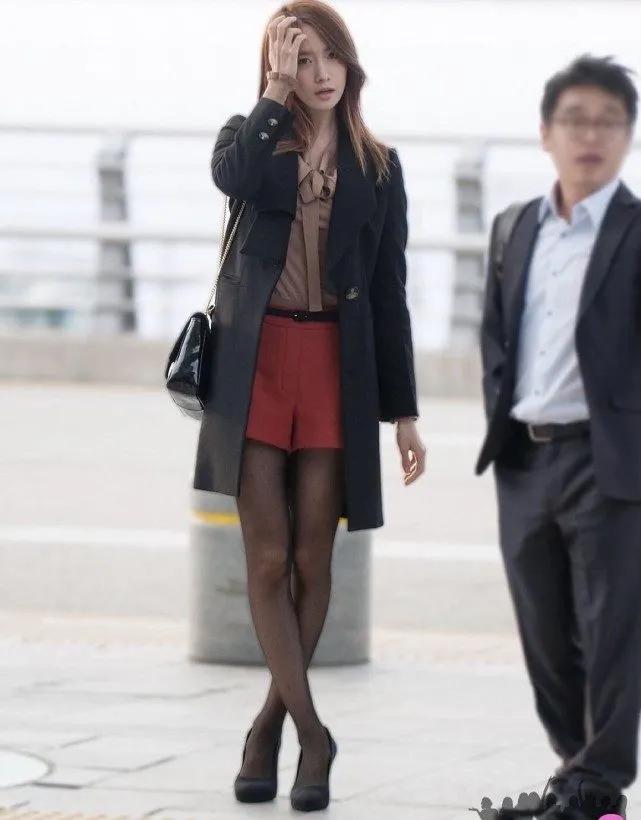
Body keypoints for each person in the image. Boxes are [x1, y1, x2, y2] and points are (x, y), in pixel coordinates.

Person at [192, 0, 426, 812]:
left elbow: (389, 294)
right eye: (301, 59)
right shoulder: (250, 138)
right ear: (277, 69)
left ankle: (268, 726)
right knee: (264, 561)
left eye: (329, 56)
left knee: (311, 560)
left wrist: (403, 412)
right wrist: (272, 94)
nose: (319, 73)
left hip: (334, 368)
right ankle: (313, 735)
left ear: (349, 63)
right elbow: (231, 180)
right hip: (254, 366)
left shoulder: (379, 166)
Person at [476, 55, 640, 820]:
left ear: (627, 136)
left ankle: (594, 785)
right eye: (575, 119)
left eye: (609, 121)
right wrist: (501, 417)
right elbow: (495, 338)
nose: (590, 135)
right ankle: (580, 781)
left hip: (608, 462)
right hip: (521, 457)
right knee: (543, 635)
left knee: (610, 634)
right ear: (545, 133)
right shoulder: (513, 228)